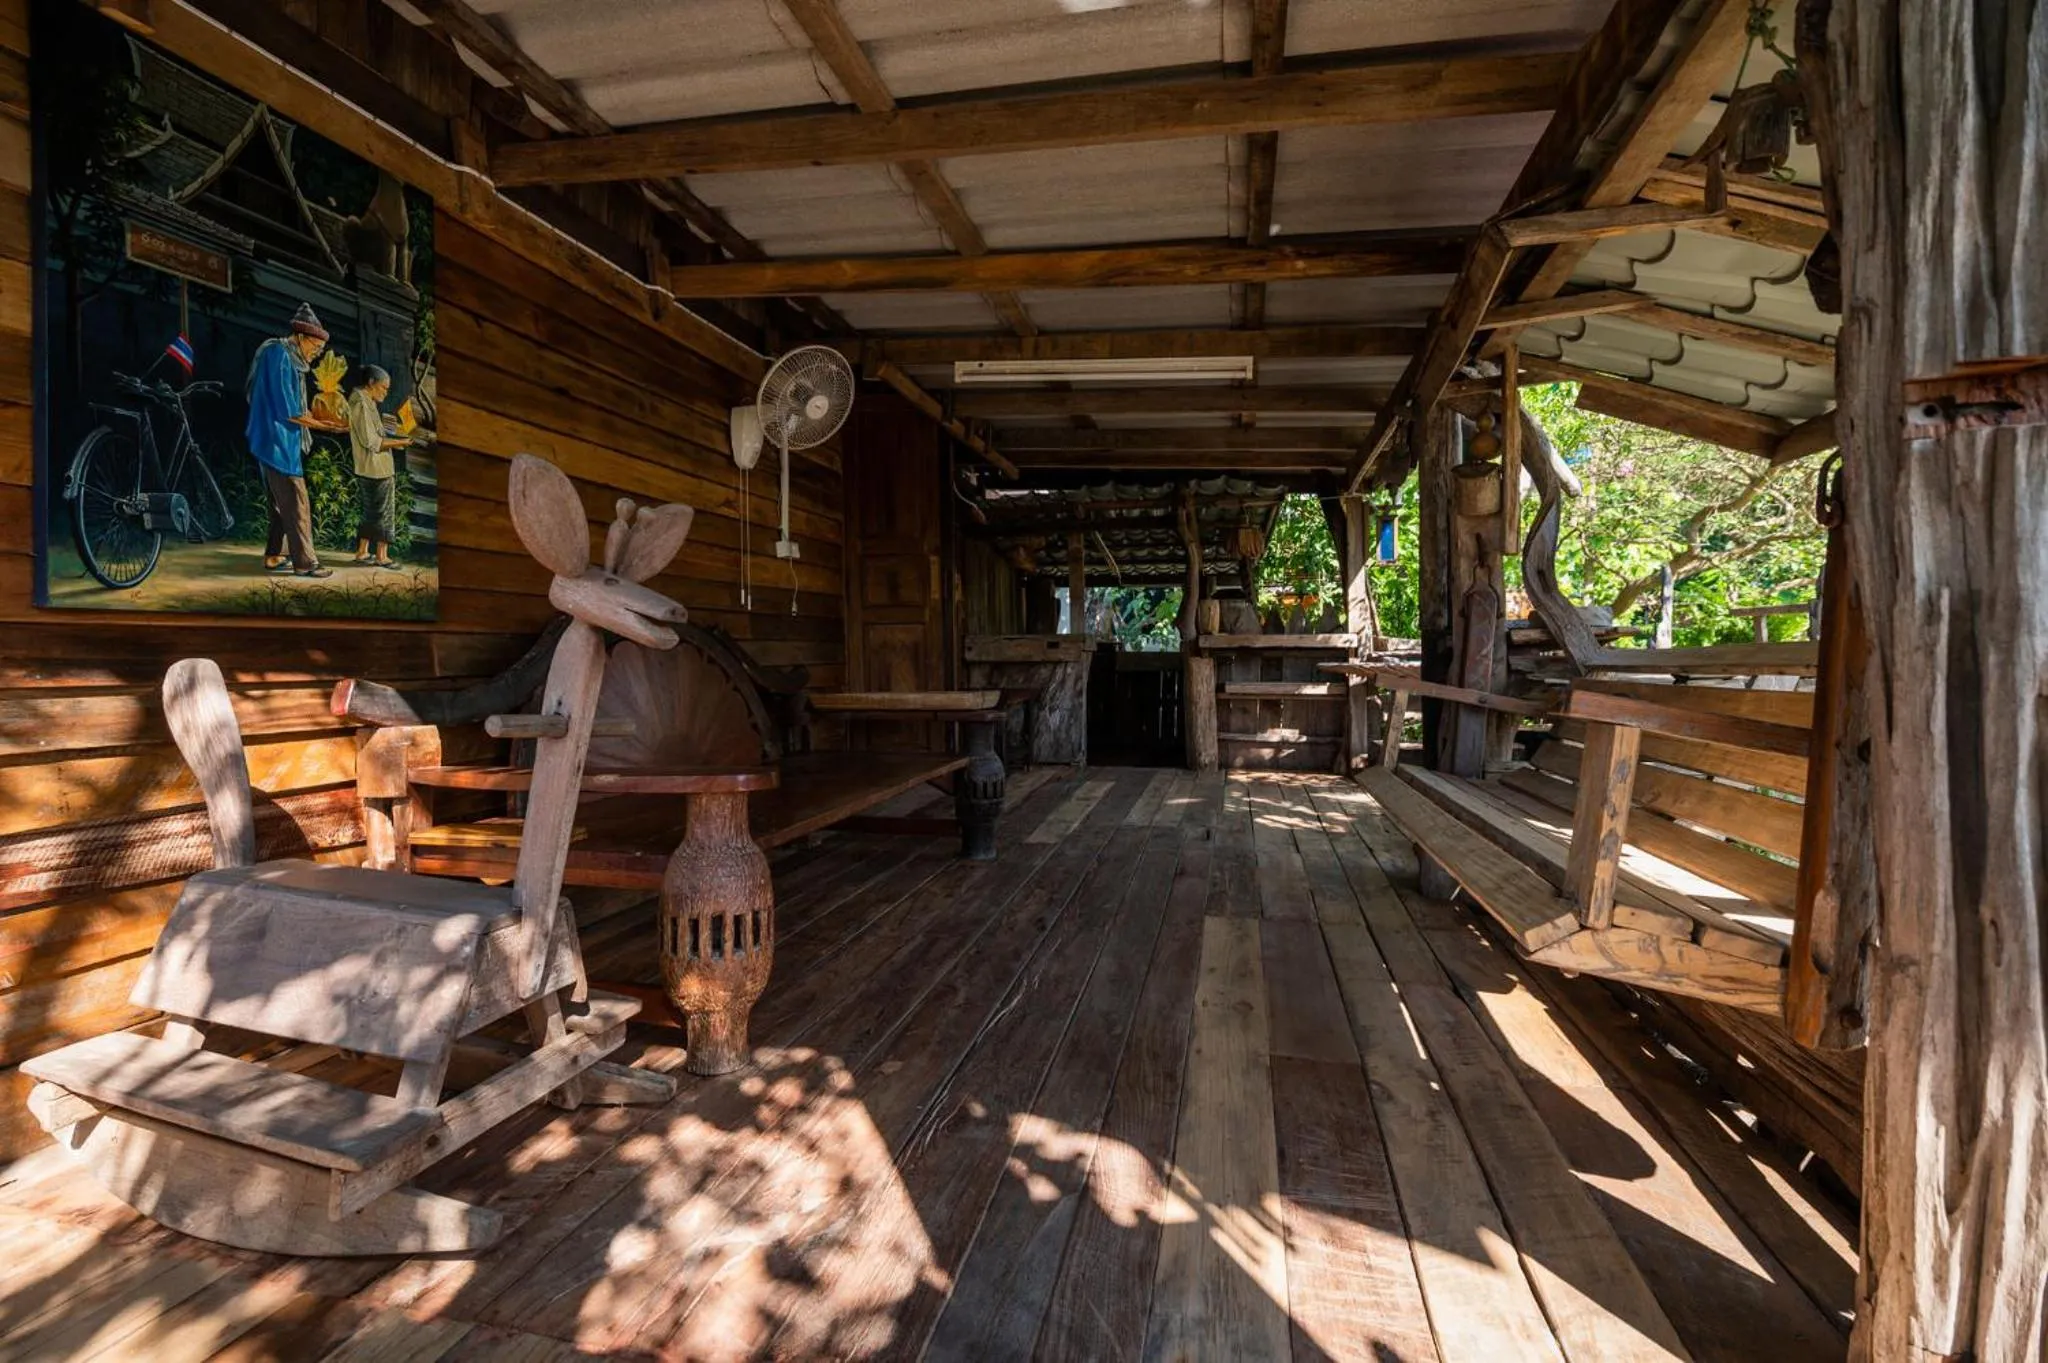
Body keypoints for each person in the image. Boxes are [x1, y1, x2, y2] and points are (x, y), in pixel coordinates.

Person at [244, 303, 344, 577]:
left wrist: (321, 419)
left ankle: (274, 555)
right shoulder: (279, 353)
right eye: (316, 346)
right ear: (300, 337)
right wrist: (324, 425)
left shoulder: (290, 358)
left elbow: (295, 408)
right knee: (297, 501)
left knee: (280, 502)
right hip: (275, 439)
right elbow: (288, 410)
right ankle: (305, 563)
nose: (317, 353)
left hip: (278, 439)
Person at [345, 365, 409, 567]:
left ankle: (362, 552)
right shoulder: (361, 403)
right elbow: (371, 441)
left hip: (370, 467)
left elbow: (375, 435)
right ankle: (382, 556)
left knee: (370, 511)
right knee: (383, 512)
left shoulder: (366, 401)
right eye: (383, 387)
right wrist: (399, 443)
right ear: (371, 383)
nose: (385, 392)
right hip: (376, 468)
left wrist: (394, 435)